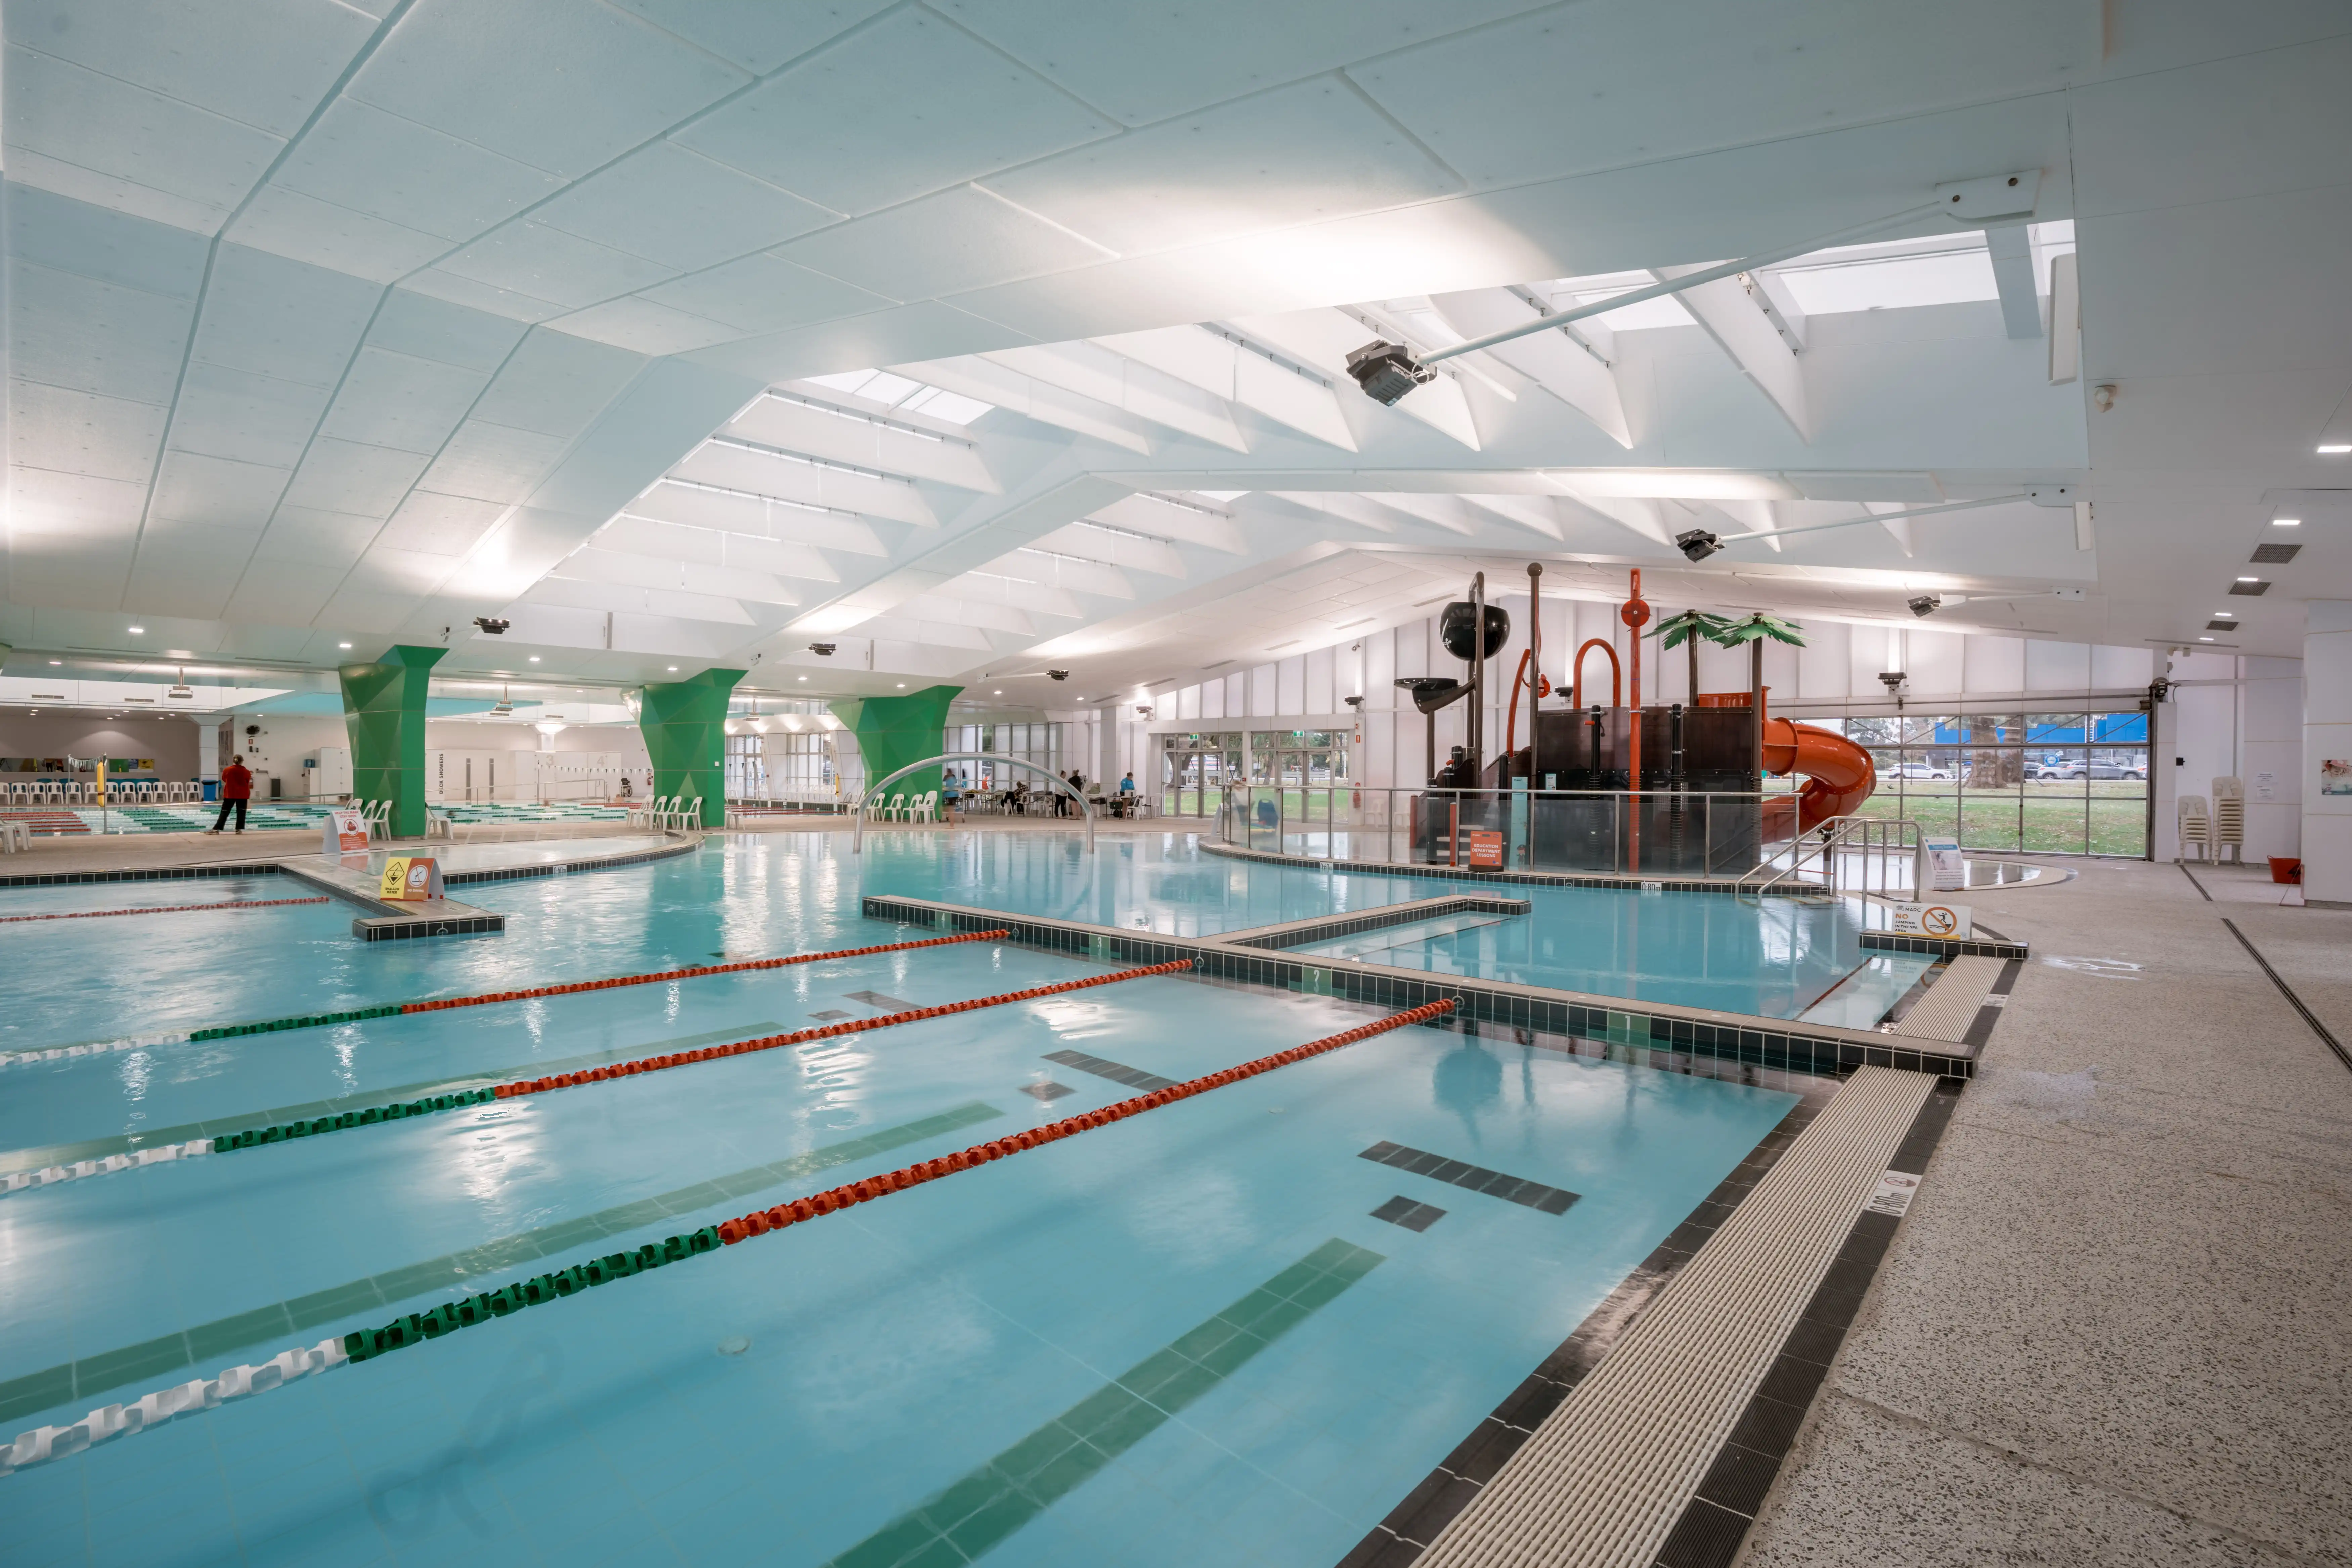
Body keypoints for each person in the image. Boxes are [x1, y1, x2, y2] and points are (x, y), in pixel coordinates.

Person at [207, 755, 253, 835]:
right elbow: (247, 781)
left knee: (225, 812)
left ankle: (216, 829)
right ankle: (239, 829)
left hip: (230, 794)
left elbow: (224, 779)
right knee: (241, 812)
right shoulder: (246, 772)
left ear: (234, 761)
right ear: (242, 761)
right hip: (242, 795)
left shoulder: (227, 770)